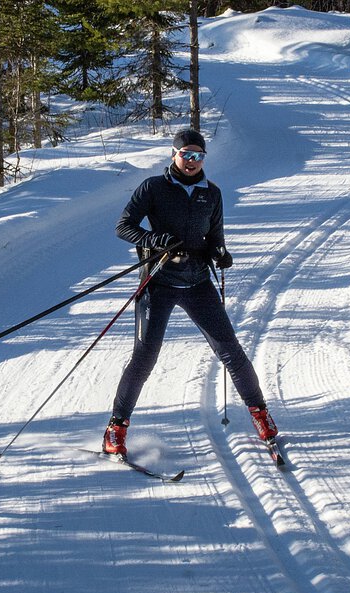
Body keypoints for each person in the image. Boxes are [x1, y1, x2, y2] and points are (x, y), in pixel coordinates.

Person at [103, 128, 277, 457]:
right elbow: (123, 226)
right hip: (159, 282)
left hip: (197, 282)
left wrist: (220, 254)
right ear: (174, 154)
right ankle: (116, 428)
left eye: (199, 156)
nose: (192, 161)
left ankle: (261, 414)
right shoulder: (153, 187)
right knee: (144, 359)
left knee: (232, 353)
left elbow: (215, 239)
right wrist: (155, 240)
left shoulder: (211, 193)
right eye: (187, 154)